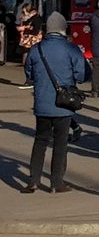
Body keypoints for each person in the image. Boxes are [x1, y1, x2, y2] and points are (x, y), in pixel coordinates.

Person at [22, 12, 87, 194]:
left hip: (42, 102)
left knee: (40, 141)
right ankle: (56, 183)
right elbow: (81, 75)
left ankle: (33, 180)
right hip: (63, 105)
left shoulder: (37, 49)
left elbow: (29, 74)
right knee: (60, 143)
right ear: (63, 29)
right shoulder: (70, 49)